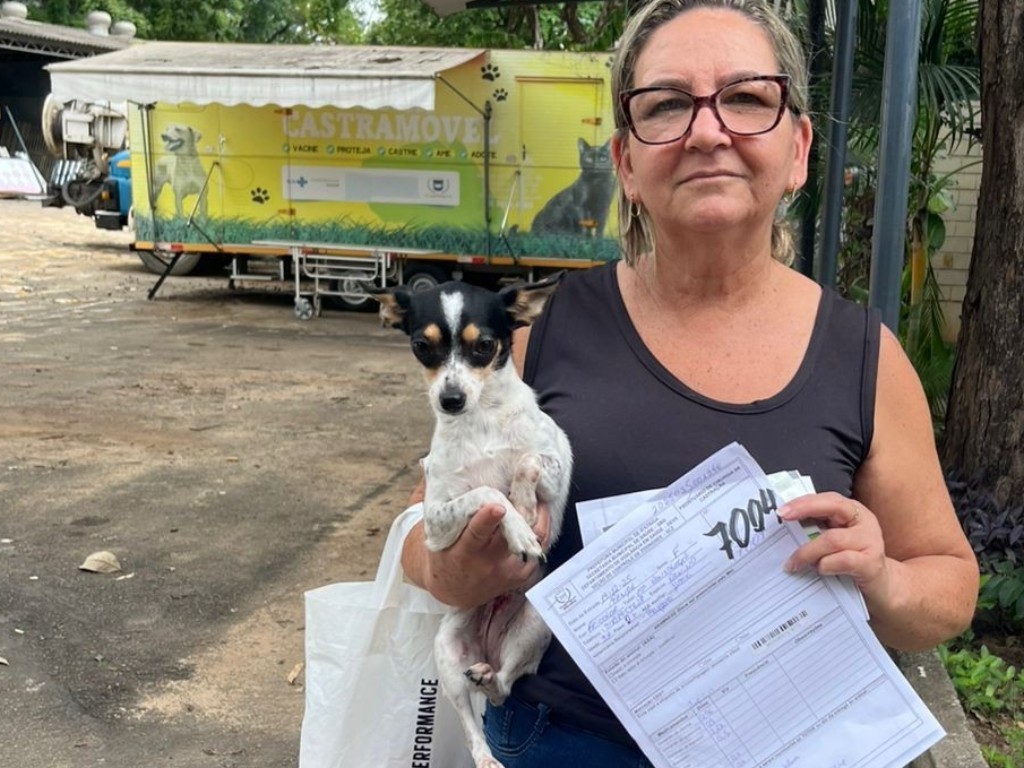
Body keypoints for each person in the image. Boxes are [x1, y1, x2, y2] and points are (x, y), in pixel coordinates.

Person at [399, 1, 979, 765]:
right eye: (667, 104)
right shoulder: (538, 339)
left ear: (799, 149)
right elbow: (422, 526)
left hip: (786, 745)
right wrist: (450, 566)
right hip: (565, 744)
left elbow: (949, 585)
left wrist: (881, 580)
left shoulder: (865, 358)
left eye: (747, 97)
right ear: (625, 162)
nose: (707, 131)